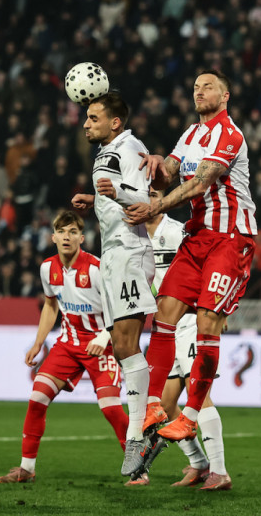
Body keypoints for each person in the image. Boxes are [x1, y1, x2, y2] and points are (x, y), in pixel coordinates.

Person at [124, 70, 256, 455]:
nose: (199, 91)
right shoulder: (190, 134)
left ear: (226, 95)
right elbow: (168, 175)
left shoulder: (230, 134)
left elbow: (201, 182)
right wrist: (156, 162)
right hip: (197, 237)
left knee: (206, 323)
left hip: (231, 237)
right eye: (195, 86)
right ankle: (152, 406)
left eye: (208, 86)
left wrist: (157, 205)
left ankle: (192, 414)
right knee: (163, 313)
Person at [0, 210, 128, 484]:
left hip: (101, 344)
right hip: (68, 344)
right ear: (53, 237)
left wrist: (105, 336)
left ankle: (139, 467)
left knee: (111, 409)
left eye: (72, 232)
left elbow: (120, 307)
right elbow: (51, 305)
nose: (67, 237)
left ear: (82, 237)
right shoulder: (47, 268)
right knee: (37, 399)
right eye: (62, 232)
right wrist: (38, 342)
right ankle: (27, 469)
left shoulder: (96, 268)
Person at [71, 90, 158, 478]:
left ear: (115, 122)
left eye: (93, 117)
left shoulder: (131, 146)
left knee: (126, 344)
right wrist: (96, 200)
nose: (86, 123)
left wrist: (116, 192)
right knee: (123, 346)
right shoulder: (106, 151)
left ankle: (137, 434)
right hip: (112, 253)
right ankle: (141, 429)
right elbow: (117, 195)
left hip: (130, 251)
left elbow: (146, 198)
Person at [131, 188, 231, 490]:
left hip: (189, 321)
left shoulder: (178, 232)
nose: (149, 197)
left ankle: (219, 470)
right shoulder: (133, 237)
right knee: (165, 402)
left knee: (197, 394)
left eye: (155, 193)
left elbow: (213, 266)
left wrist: (217, 313)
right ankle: (199, 462)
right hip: (164, 328)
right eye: (144, 192)